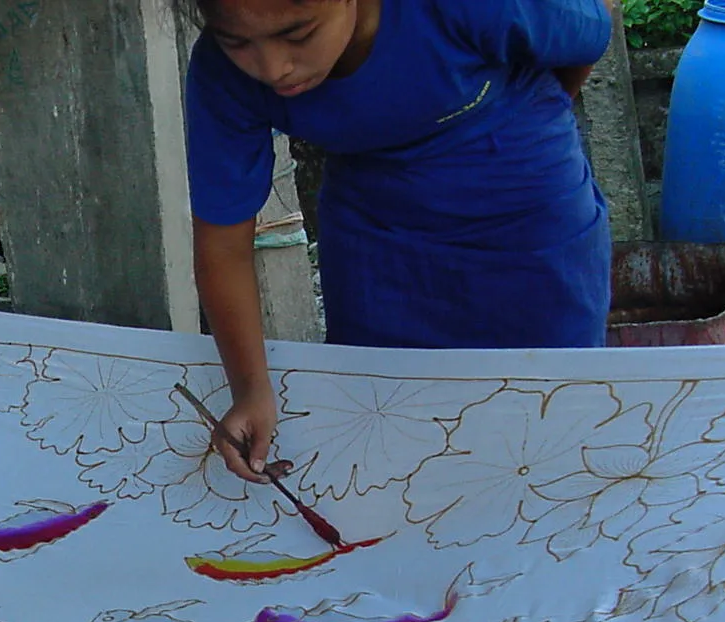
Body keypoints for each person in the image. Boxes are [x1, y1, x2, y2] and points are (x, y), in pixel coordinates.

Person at [179, 0, 615, 482]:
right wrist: (250, 389)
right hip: (376, 234)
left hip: (526, 211)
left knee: (548, 427)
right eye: (236, 41)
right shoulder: (221, 74)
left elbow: (586, 39)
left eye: (299, 35)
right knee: (388, 432)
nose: (272, 67)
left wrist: (525, 117)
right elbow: (223, 245)